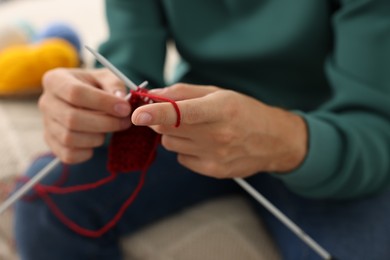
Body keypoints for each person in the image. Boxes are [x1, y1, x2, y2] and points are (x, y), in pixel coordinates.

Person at [14, 0, 390, 259]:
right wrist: (93, 102)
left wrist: (284, 140)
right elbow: (130, 63)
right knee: (45, 202)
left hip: (328, 137)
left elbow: (374, 128)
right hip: (191, 115)